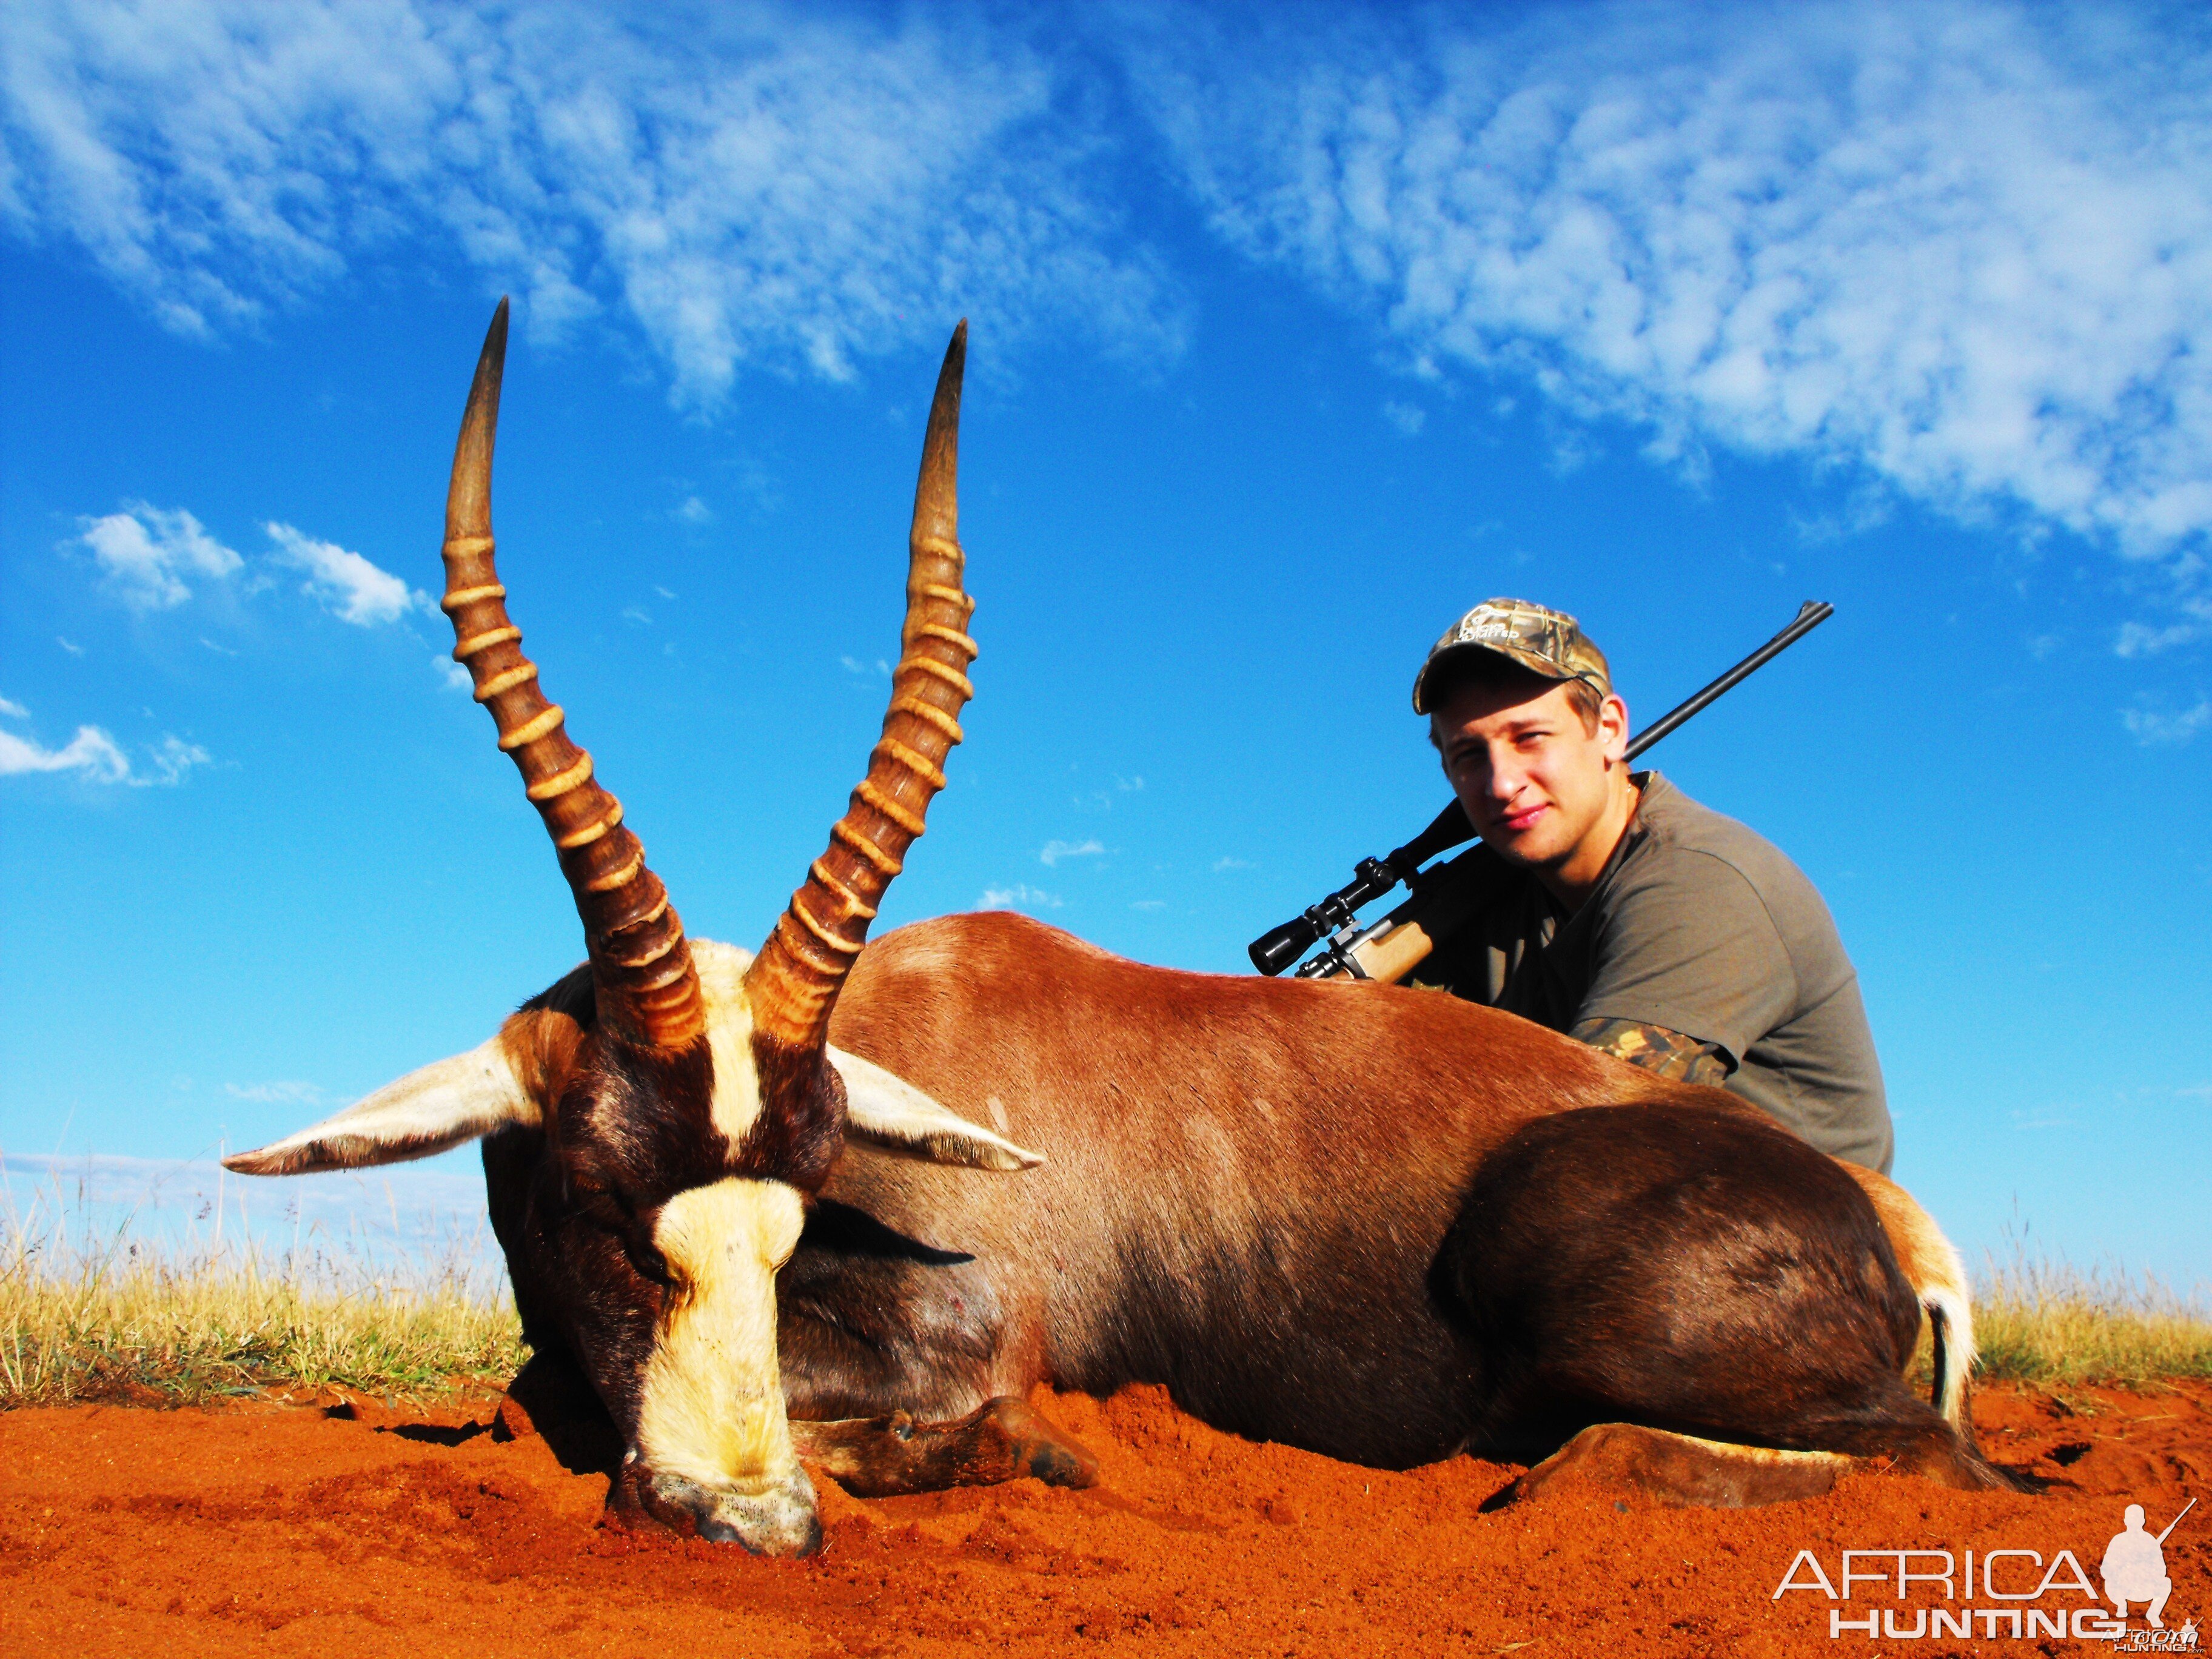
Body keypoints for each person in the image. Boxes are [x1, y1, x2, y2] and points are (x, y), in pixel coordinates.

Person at [1407, 597, 1894, 1173]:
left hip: (1795, 1249)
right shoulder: (1490, 903)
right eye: (1469, 755)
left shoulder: (1704, 882)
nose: (1502, 782)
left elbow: (1593, 1138)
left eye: (1531, 737)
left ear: (1610, 730)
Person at [2102, 1504, 2174, 1627]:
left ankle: (2153, 1614)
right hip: (2123, 1588)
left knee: (2166, 1583)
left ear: (2143, 1521)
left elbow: (2161, 1570)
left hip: (2143, 1588)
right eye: (2132, 1519)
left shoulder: (2150, 1541)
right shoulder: (2118, 1540)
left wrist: (2145, 1568)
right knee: (2109, 1582)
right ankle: (2121, 1605)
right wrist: (2124, 1568)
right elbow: (2106, 1569)